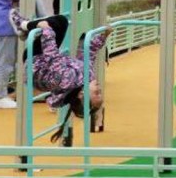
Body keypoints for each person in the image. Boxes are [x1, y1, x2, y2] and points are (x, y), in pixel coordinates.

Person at [9, 11, 111, 142]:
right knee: (61, 22)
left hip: (35, 59)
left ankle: (22, 25)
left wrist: (46, 30)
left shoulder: (65, 80)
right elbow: (88, 53)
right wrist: (103, 37)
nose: (99, 90)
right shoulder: (88, 77)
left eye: (96, 93)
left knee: (53, 25)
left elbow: (52, 56)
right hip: (48, 60)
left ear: (82, 95)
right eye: (100, 93)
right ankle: (26, 29)